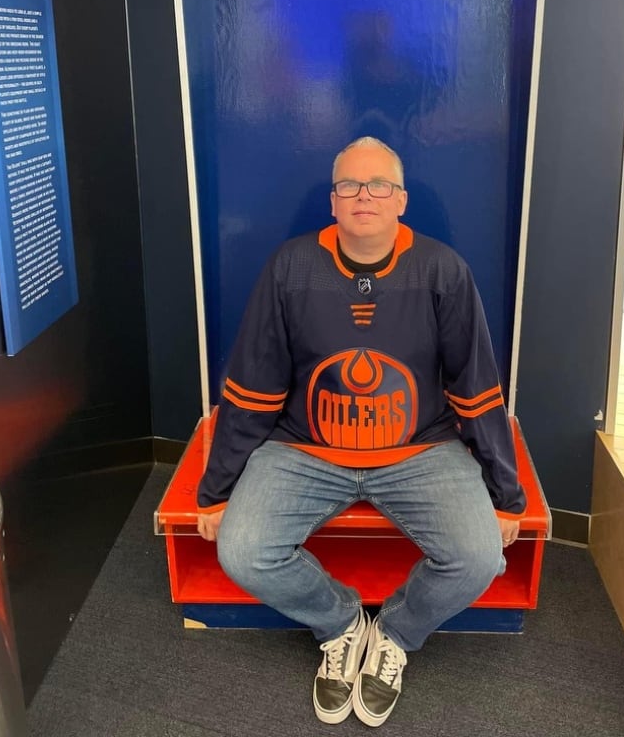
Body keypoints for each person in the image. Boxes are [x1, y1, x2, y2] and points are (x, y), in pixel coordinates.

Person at [197, 136, 525, 727]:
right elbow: (252, 388)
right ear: (333, 201)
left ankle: (394, 634)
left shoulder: (442, 270)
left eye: (379, 186)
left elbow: (477, 390)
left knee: (478, 559)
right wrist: (216, 490)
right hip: (305, 449)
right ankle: (344, 625)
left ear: (401, 201)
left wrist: (508, 496)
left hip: (419, 449)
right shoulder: (290, 267)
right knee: (242, 551)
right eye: (349, 185)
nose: (363, 196)